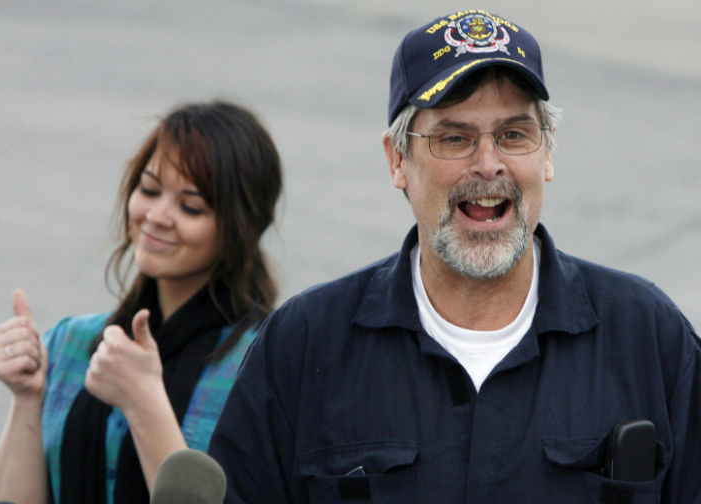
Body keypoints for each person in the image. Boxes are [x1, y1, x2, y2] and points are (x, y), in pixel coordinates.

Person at [207, 9, 701, 503]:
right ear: (398, 160)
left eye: (513, 135)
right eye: (454, 138)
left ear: (547, 153)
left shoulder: (649, 340)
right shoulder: (305, 345)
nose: (488, 166)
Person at [0, 100, 283, 503]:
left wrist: (144, 404)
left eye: (190, 206)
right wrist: (27, 397)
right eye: (149, 189)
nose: (157, 215)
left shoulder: (266, 365)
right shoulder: (74, 344)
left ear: (241, 225)